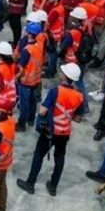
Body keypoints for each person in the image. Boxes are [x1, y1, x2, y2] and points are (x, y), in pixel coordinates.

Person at [17, 63, 84, 196]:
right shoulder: (79, 96)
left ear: (65, 77)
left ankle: (30, 183)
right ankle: (53, 186)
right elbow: (78, 118)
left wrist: (39, 108)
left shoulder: (55, 91)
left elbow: (42, 111)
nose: (60, 72)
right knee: (59, 157)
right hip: (65, 132)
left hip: (51, 131)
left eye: (62, 72)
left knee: (38, 155)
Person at [16, 22, 45, 132]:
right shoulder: (40, 45)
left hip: (26, 81)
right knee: (33, 101)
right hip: (36, 79)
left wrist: (15, 77)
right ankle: (31, 119)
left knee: (24, 104)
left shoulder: (27, 49)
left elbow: (21, 67)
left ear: (28, 33)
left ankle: (21, 124)